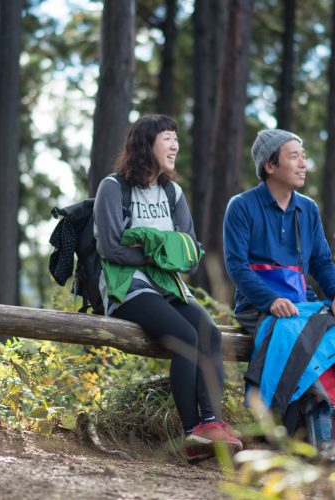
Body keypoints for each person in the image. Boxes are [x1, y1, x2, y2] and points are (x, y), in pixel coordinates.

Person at [93, 114, 243, 461]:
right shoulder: (113, 188)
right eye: (167, 138)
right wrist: (164, 250)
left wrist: (152, 245)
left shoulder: (173, 192)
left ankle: (211, 424)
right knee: (185, 337)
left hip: (169, 287)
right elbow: (111, 248)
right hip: (127, 288)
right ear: (146, 144)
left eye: (176, 138)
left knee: (210, 333)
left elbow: (189, 254)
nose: (175, 145)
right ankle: (192, 434)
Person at [223, 128, 335, 436]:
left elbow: (321, 261)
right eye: (294, 156)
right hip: (257, 306)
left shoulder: (308, 208)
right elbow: (237, 267)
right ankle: (280, 434)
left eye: (304, 157)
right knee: (289, 334)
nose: (303, 164)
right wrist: (270, 300)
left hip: (301, 303)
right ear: (269, 165)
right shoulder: (241, 206)